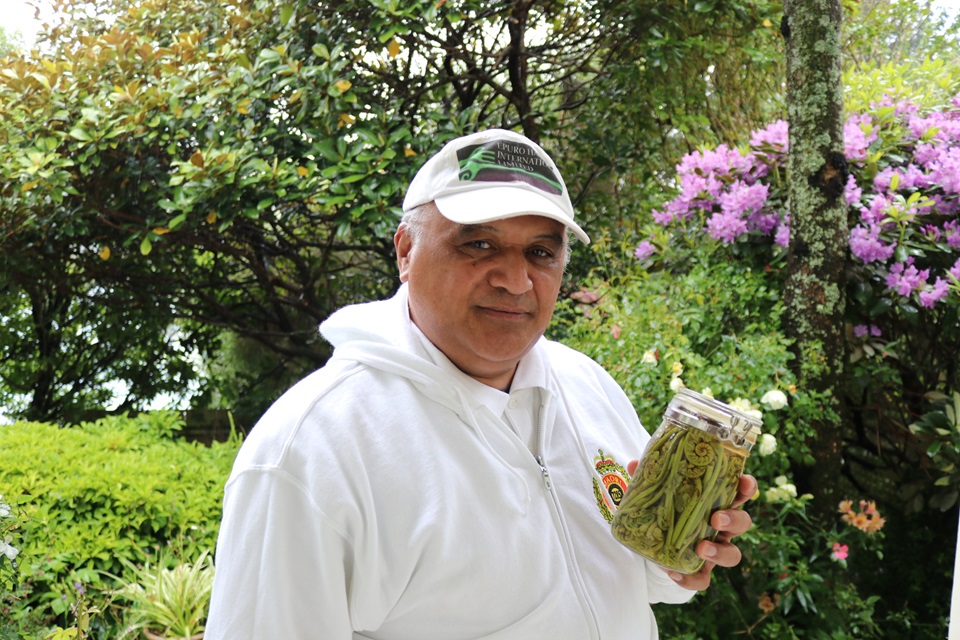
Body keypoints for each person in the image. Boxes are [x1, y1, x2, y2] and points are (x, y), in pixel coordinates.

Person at [204, 129, 757, 639]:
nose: (515, 280)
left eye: (541, 252)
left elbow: (633, 585)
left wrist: (678, 556)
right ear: (404, 251)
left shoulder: (586, 385)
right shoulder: (309, 450)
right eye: (478, 245)